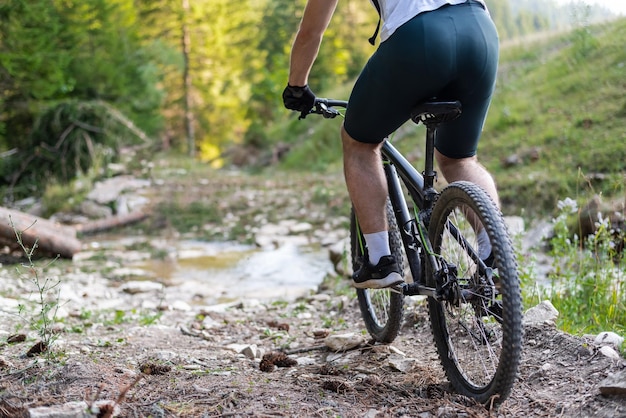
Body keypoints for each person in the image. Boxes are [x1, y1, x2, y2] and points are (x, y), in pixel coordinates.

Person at [283, 0, 500, 289]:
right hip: (480, 32)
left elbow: (311, 31)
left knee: (359, 143)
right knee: (459, 160)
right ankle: (496, 255)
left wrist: (297, 87)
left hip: (419, 36)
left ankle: (379, 261)